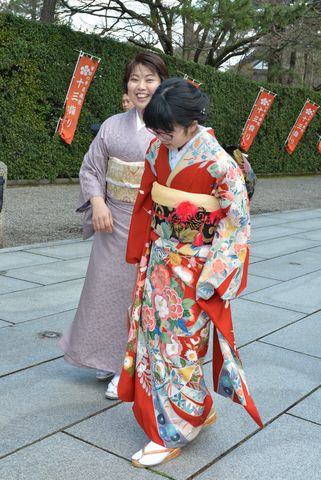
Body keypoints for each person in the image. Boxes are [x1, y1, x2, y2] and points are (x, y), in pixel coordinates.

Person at [118, 78, 262, 467]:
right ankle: (196, 410)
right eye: (156, 130)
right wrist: (145, 248)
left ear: (192, 122)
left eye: (167, 130)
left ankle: (172, 432)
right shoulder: (157, 150)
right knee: (153, 341)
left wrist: (215, 274)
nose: (161, 137)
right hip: (161, 259)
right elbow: (149, 199)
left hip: (196, 269)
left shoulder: (218, 161)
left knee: (179, 347)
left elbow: (237, 220)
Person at [58, 52, 168, 399]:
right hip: (112, 219)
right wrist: (98, 201)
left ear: (162, 83)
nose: (141, 86)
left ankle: (131, 365)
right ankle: (104, 356)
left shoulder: (171, 127)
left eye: (149, 78)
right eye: (135, 79)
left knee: (142, 294)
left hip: (151, 223)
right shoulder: (112, 125)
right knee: (103, 290)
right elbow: (91, 168)